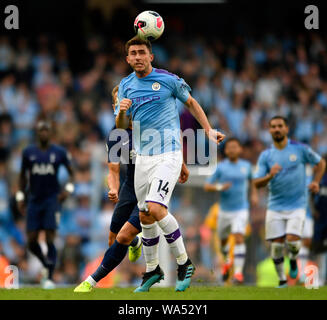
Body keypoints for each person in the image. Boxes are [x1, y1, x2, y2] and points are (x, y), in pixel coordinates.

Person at [115, 37, 225, 292]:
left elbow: (191, 103)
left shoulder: (168, 79)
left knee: (155, 207)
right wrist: (122, 111)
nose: (138, 56)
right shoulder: (125, 86)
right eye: (133, 53)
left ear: (151, 57)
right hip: (143, 157)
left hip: (169, 153)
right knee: (144, 215)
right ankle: (153, 269)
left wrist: (207, 130)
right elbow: (121, 128)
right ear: (128, 59)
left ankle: (184, 263)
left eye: (142, 52)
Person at [74, 85, 143, 292]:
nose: (117, 107)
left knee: (122, 235)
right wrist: (112, 189)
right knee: (113, 238)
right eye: (115, 104)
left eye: (120, 102)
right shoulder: (116, 134)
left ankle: (90, 282)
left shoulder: (147, 126)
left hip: (151, 187)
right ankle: (134, 243)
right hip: (130, 185)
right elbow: (113, 170)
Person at [253, 116, 326, 288]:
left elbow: (321, 163)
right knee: (276, 247)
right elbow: (256, 183)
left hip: (297, 206)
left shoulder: (300, 150)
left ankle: (293, 260)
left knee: (293, 241)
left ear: (286, 129)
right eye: (273, 127)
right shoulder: (266, 156)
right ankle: (282, 280)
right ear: (270, 130)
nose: (276, 129)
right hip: (275, 207)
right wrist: (270, 175)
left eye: (280, 126)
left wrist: (316, 181)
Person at [16, 120, 74, 289]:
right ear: (37, 133)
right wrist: (20, 196)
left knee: (50, 237)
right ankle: (45, 263)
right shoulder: (28, 152)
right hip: (34, 199)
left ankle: (48, 275)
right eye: (41, 130)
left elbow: (72, 174)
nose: (43, 133)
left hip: (52, 200)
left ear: (50, 132)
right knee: (32, 241)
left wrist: (68, 190)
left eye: (46, 130)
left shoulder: (59, 152)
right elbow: (22, 176)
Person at [204, 137, 258, 284]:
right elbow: (207, 186)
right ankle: (227, 260)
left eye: (235, 147)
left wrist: (253, 194)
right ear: (226, 150)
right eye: (230, 147)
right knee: (223, 241)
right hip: (224, 210)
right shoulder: (221, 168)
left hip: (241, 209)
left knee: (239, 236)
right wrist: (220, 187)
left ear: (240, 149)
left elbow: (252, 181)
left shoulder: (246, 166)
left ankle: (238, 273)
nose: (233, 150)